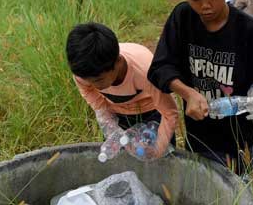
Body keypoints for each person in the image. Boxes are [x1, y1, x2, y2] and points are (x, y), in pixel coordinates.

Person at [148, 0, 253, 173]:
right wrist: (188, 93)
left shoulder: (247, 29)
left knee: (246, 189)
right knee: (211, 191)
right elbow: (159, 68)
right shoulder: (182, 19)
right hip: (202, 134)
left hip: (243, 133)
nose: (205, 5)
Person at [66, 22, 178, 156]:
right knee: (119, 158)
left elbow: (169, 113)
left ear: (118, 62)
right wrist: (112, 130)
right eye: (88, 80)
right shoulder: (83, 72)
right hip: (117, 115)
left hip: (152, 113)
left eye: (99, 80)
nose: (94, 85)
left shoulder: (146, 71)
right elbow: (99, 105)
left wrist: (158, 150)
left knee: (158, 160)